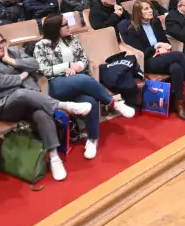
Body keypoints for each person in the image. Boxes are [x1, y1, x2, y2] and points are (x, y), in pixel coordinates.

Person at [0, 30, 92, 181]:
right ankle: (64, 105)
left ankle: (54, 157)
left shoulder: (13, 52)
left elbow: (34, 64)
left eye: (2, 42)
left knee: (42, 113)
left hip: (30, 99)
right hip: (5, 104)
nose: (0, 46)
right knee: (21, 94)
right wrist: (20, 76)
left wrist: (12, 61)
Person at [34, 15, 137, 160]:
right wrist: (67, 66)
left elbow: (83, 59)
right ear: (56, 28)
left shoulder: (73, 39)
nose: (69, 27)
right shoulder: (42, 45)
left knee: (91, 101)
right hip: (57, 83)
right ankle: (113, 102)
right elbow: (43, 69)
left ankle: (92, 139)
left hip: (78, 80)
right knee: (84, 79)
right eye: (65, 25)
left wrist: (77, 66)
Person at [121, 0, 185, 120]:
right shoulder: (133, 29)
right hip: (148, 61)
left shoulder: (155, 22)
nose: (150, 10)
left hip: (163, 56)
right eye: (146, 9)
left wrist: (164, 47)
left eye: (150, 8)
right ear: (138, 13)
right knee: (178, 55)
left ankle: (179, 103)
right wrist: (156, 47)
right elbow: (140, 53)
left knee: (176, 68)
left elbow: (165, 41)